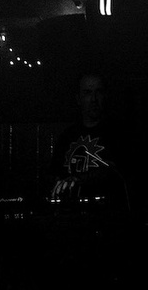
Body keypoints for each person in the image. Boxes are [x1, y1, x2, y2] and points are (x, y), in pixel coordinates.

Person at [48, 70, 129, 211]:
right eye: (87, 93)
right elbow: (54, 174)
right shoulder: (67, 136)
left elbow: (115, 171)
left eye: (98, 92)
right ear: (78, 99)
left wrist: (81, 179)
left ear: (105, 95)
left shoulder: (118, 134)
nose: (93, 99)